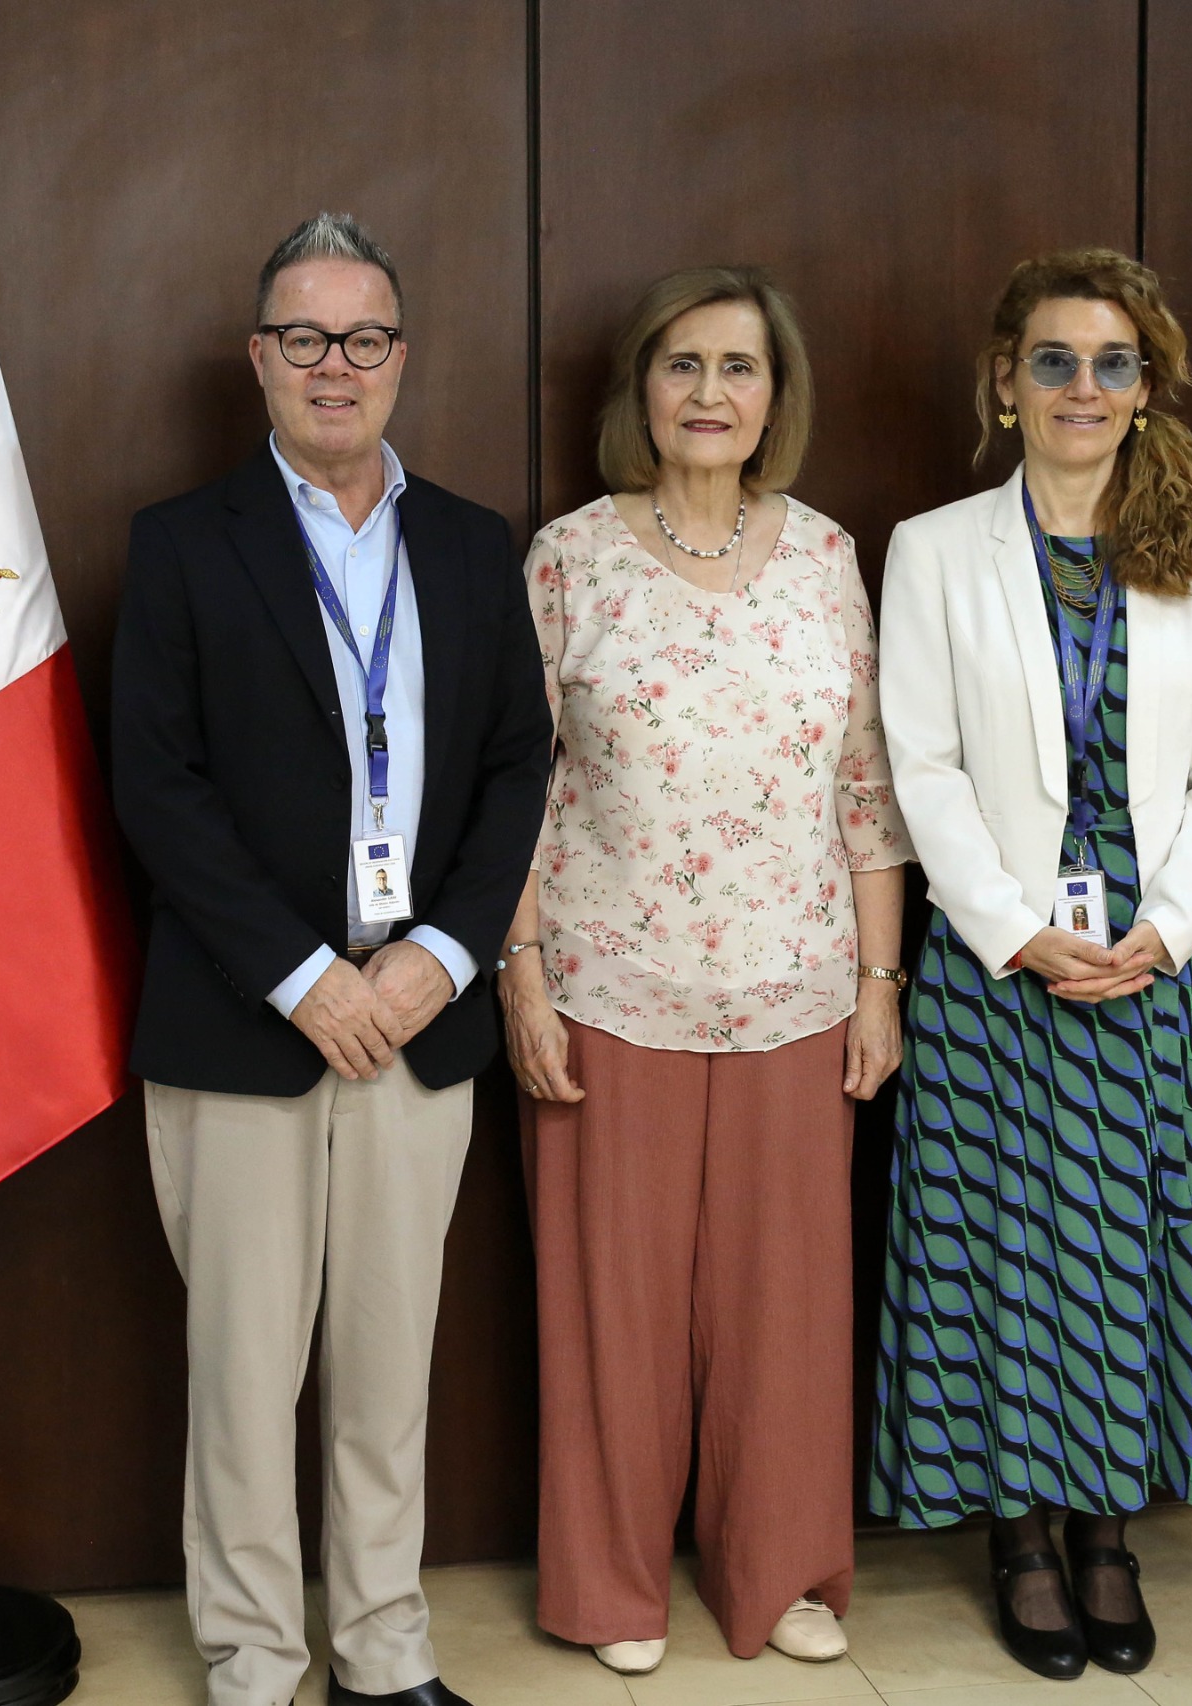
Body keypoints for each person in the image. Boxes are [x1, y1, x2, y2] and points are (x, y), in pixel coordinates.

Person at [111, 212, 552, 1706]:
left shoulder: (473, 547)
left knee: (386, 1376)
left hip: (420, 1020)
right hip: (251, 1021)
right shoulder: (179, 545)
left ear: (401, 359)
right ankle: (252, 1659)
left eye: (363, 337)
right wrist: (306, 974)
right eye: (303, 337)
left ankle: (383, 1650)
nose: (335, 365)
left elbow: (516, 765)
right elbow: (154, 787)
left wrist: (439, 956)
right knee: (244, 1380)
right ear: (258, 359)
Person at [503, 267, 914, 1676]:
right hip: (608, 983)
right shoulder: (569, 556)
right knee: (611, 1308)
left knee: (784, 1312)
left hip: (797, 991)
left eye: (739, 368)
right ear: (643, 389)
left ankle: (781, 1570)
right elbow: (512, 785)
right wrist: (518, 970)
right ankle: (614, 1581)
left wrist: (878, 981)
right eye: (683, 365)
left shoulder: (824, 554)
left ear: (774, 398)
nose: (711, 394)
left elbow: (865, 781)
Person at [870, 248, 1192, 1681]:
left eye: (1111, 363)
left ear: (1146, 386)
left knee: (1138, 1250)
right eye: (1053, 360)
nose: (1082, 387)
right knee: (1007, 1257)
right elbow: (915, 756)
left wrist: (1165, 926)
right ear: (1005, 381)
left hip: (1164, 966)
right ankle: (1021, 1537)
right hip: (999, 966)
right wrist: (1006, 921)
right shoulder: (932, 547)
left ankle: (1112, 1532)